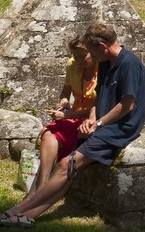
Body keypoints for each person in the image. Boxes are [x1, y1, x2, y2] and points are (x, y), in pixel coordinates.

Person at [0, 20, 145, 228]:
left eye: (92, 52)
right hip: (102, 125)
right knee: (68, 167)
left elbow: (127, 105)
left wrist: (98, 123)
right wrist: (92, 119)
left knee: (66, 165)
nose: (91, 57)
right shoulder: (106, 62)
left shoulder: (129, 64)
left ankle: (15, 212)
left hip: (120, 129)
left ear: (102, 46)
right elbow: (99, 99)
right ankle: (27, 215)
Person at [30, 36, 97, 189]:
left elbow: (99, 106)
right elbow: (65, 92)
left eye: (83, 56)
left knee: (60, 135)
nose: (79, 60)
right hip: (74, 116)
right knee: (48, 132)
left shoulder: (103, 70)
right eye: (75, 56)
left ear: (92, 53)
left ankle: (43, 188)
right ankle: (42, 185)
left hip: (91, 119)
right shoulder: (72, 65)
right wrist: (64, 102)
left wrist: (68, 115)